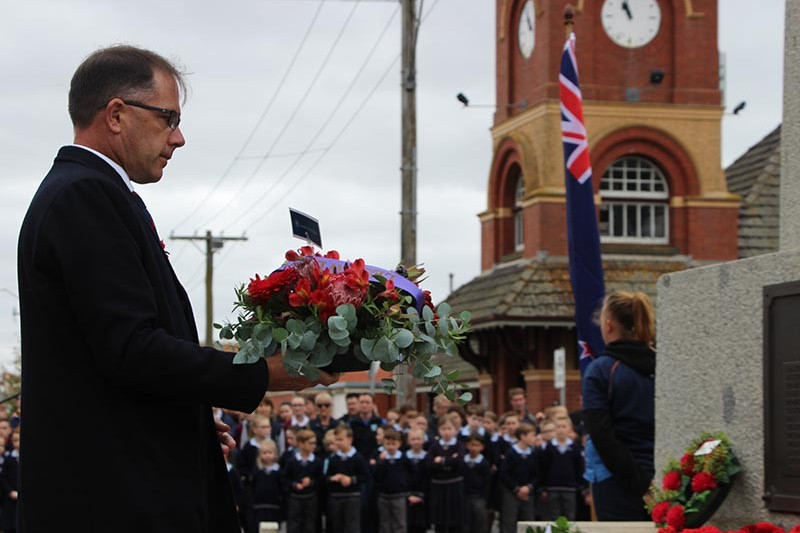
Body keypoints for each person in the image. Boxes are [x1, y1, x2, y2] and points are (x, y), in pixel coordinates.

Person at [16, 45, 336, 533]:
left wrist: (183, 422)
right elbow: (131, 349)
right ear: (117, 114)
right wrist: (263, 373)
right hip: (114, 503)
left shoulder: (95, 191)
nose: (179, 138)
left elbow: (107, 365)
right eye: (168, 118)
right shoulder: (85, 194)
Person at [582, 290, 656, 521]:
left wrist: (641, 484)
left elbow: (602, 434)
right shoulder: (663, 364)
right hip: (664, 474)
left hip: (616, 478)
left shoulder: (602, 369)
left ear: (608, 325)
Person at [537, 417, 584, 520]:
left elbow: (579, 468)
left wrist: (580, 485)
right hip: (552, 488)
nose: (561, 429)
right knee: (554, 516)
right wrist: (543, 487)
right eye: (558, 427)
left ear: (569, 429)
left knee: (570, 516)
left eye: (564, 426)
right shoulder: (549, 448)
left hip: (570, 488)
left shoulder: (574, 448)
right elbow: (543, 468)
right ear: (555, 429)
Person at [326, 425, 369, 533]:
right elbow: (326, 477)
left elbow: (365, 476)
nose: (338, 442)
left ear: (350, 440)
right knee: (337, 526)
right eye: (336, 440)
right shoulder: (333, 458)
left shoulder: (358, 458)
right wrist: (332, 478)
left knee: (352, 526)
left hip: (352, 497)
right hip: (336, 497)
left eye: (341, 439)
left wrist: (351, 480)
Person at [426, 415, 465, 533]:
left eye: (449, 428)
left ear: (456, 430)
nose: (446, 432)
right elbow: (429, 463)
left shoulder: (459, 445)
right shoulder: (434, 446)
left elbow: (460, 462)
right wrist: (450, 459)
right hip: (438, 486)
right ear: (439, 430)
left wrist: (442, 460)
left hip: (454, 486)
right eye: (443, 429)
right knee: (440, 520)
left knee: (455, 519)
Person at [499, 423, 538, 533]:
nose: (534, 438)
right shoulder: (511, 453)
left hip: (528, 493)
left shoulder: (533, 453)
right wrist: (516, 488)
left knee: (528, 521)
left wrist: (529, 487)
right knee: (509, 521)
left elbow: (537, 474)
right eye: (532, 435)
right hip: (511, 492)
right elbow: (504, 473)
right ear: (522, 436)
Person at [282, 429, 322, 533]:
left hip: (311, 498)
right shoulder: (291, 461)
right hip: (295, 498)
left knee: (310, 524)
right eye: (310, 443)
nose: (313, 445)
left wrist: (311, 482)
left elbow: (321, 479)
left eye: (314, 443)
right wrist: (294, 485)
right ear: (301, 444)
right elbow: (285, 479)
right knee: (294, 524)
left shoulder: (317, 461)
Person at [373, 428, 409, 533]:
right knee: (384, 523)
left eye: (393, 444)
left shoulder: (402, 457)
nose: (390, 447)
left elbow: (412, 471)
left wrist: (404, 484)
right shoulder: (380, 458)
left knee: (400, 523)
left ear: (399, 444)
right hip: (383, 496)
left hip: (399, 496)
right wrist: (380, 461)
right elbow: (375, 475)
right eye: (388, 444)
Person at [248, 439, 283, 533]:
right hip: (258, 506)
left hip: (274, 506)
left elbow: (282, 487)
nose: (267, 455)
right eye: (264, 453)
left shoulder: (278, 471)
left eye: (270, 452)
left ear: (275, 454)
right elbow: (252, 486)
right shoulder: (257, 470)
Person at [462, 434, 491, 533]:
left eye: (477, 445)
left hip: (479, 497)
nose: (474, 448)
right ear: (467, 445)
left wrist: (484, 499)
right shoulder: (463, 461)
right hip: (464, 496)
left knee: (479, 522)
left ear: (482, 447)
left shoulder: (484, 463)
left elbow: (487, 483)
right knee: (464, 523)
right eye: (472, 445)